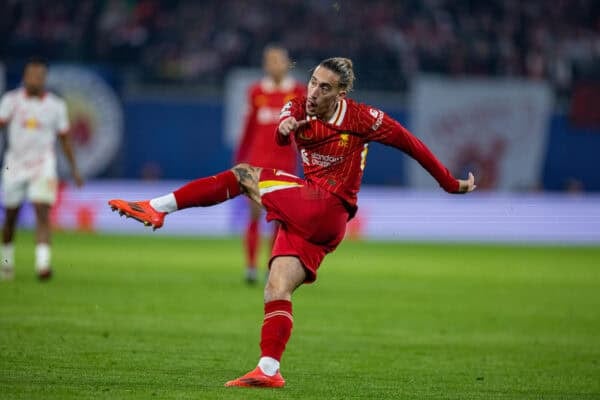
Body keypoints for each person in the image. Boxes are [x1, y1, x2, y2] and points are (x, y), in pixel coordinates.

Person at [108, 57, 476, 388]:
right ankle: (268, 369)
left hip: (326, 207)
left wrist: (448, 183)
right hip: (317, 219)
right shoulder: (300, 103)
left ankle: (157, 207)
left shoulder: (365, 119)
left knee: (243, 174)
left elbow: (411, 144)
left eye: (325, 87)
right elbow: (285, 120)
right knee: (277, 286)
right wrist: (284, 127)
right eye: (313, 81)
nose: (314, 91)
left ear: (342, 92)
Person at [0, 57, 83, 281]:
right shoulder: (11, 101)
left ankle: (43, 265)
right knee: (10, 218)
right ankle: (6, 263)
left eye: (39, 76)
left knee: (42, 213)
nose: (35, 79)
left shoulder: (56, 105)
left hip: (43, 165)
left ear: (44, 78)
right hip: (14, 165)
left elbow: (65, 140)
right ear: (25, 77)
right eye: (31, 75)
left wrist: (74, 169)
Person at [235, 45, 305, 283]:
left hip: (285, 164)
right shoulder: (256, 92)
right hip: (257, 163)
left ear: (286, 63)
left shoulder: (297, 91)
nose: (275, 65)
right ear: (265, 65)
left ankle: (271, 268)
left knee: (279, 219)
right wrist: (240, 160)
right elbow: (248, 129)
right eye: (270, 61)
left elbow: (305, 131)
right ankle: (251, 267)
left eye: (279, 60)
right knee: (254, 215)